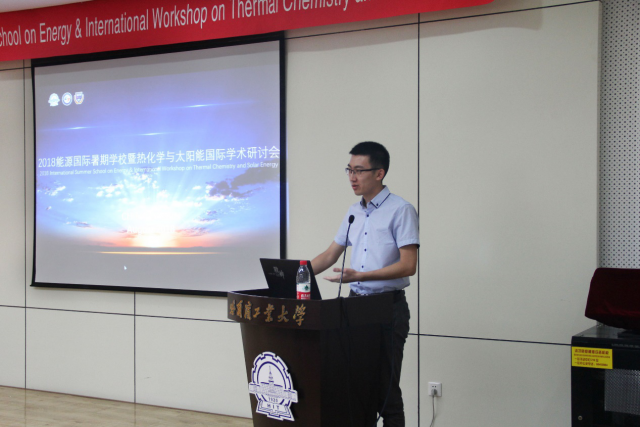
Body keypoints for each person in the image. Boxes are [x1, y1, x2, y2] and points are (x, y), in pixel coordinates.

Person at [311, 141, 419, 427]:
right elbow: (329, 255)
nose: (352, 177)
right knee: (355, 388)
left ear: (379, 173)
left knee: (386, 391)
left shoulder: (401, 210)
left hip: (387, 309)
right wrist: (296, 273)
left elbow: (408, 265)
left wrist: (361, 276)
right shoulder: (353, 212)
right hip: (354, 306)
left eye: (359, 171)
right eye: (349, 170)